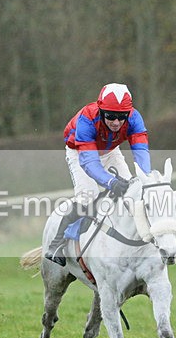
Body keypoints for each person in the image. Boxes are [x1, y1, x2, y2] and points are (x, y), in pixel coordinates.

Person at [45, 83, 151, 265]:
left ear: (129, 114)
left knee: (132, 192)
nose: (116, 122)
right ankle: (56, 244)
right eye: (110, 116)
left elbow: (141, 152)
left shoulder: (135, 118)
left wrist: (145, 178)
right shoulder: (87, 118)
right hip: (80, 152)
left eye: (122, 117)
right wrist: (110, 182)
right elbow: (90, 163)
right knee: (89, 196)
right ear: (101, 111)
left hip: (110, 151)